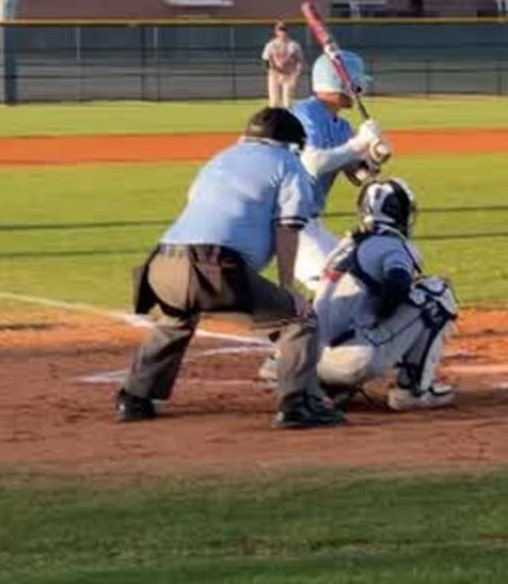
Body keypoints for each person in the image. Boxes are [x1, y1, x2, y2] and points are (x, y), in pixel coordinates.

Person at [115, 107, 346, 430]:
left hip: (161, 264)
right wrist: (287, 288)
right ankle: (298, 404)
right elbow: (288, 227)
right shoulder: (287, 163)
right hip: (213, 266)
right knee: (298, 318)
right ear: (290, 144)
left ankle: (134, 398)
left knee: (177, 317)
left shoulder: (220, 158)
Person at [314, 177, 459, 412]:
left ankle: (332, 388)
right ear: (399, 212)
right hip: (353, 362)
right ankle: (413, 391)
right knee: (437, 293)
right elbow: (398, 284)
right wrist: (384, 315)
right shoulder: (392, 244)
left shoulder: (345, 244)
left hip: (313, 363)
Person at [289, 49, 391, 291]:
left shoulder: (341, 125)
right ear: (341, 83)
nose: (360, 91)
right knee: (338, 286)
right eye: (357, 84)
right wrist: (358, 143)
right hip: (285, 222)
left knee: (361, 271)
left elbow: (358, 176)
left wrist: (373, 158)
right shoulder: (303, 112)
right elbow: (313, 163)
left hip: (309, 221)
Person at [260, 22, 304, 108]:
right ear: (276, 32)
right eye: (280, 30)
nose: (283, 32)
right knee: (274, 103)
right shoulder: (271, 45)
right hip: (275, 75)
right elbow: (266, 59)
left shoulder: (294, 45)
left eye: (284, 30)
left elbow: (299, 60)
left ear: (287, 31)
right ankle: (276, 120)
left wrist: (296, 74)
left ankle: (287, 120)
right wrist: (270, 70)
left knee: (287, 103)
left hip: (288, 75)